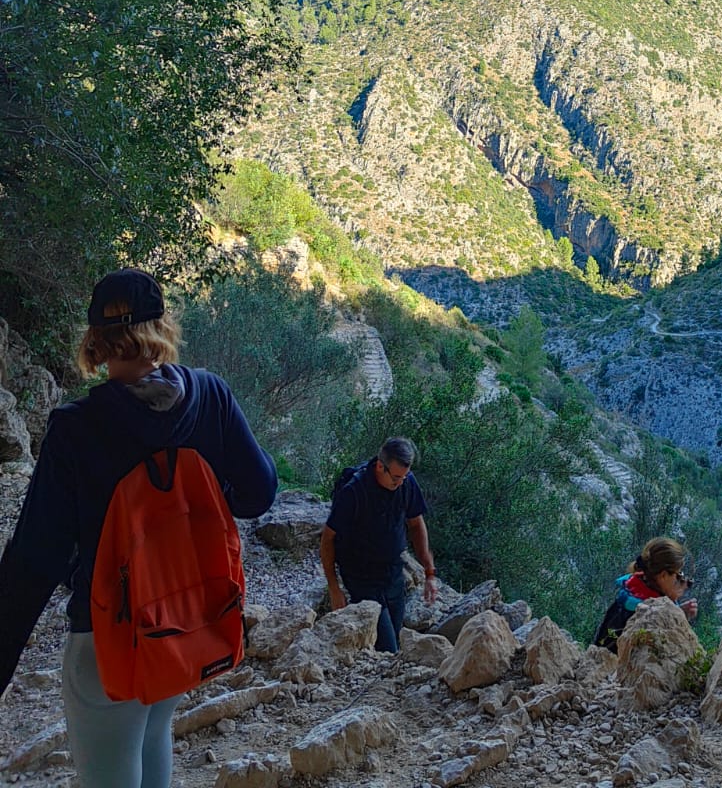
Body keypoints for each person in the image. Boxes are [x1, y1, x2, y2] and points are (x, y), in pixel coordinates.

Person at [0, 268, 277, 788]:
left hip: (108, 639)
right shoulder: (210, 396)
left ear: (96, 341)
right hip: (184, 623)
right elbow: (259, 494)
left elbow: (36, 560)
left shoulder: (77, 427)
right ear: (163, 327)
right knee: (153, 735)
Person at [320, 436, 437, 652]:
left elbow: (416, 524)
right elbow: (328, 539)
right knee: (388, 649)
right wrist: (334, 587)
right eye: (395, 478)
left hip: (393, 573)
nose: (400, 483)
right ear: (380, 466)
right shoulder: (354, 491)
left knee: (396, 637)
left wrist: (429, 573)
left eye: (404, 477)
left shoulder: (406, 482)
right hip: (361, 576)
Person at [592, 535, 699, 652]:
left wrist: (678, 612)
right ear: (663, 576)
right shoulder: (640, 614)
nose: (681, 581)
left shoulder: (633, 592)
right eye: (679, 575)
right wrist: (675, 616)